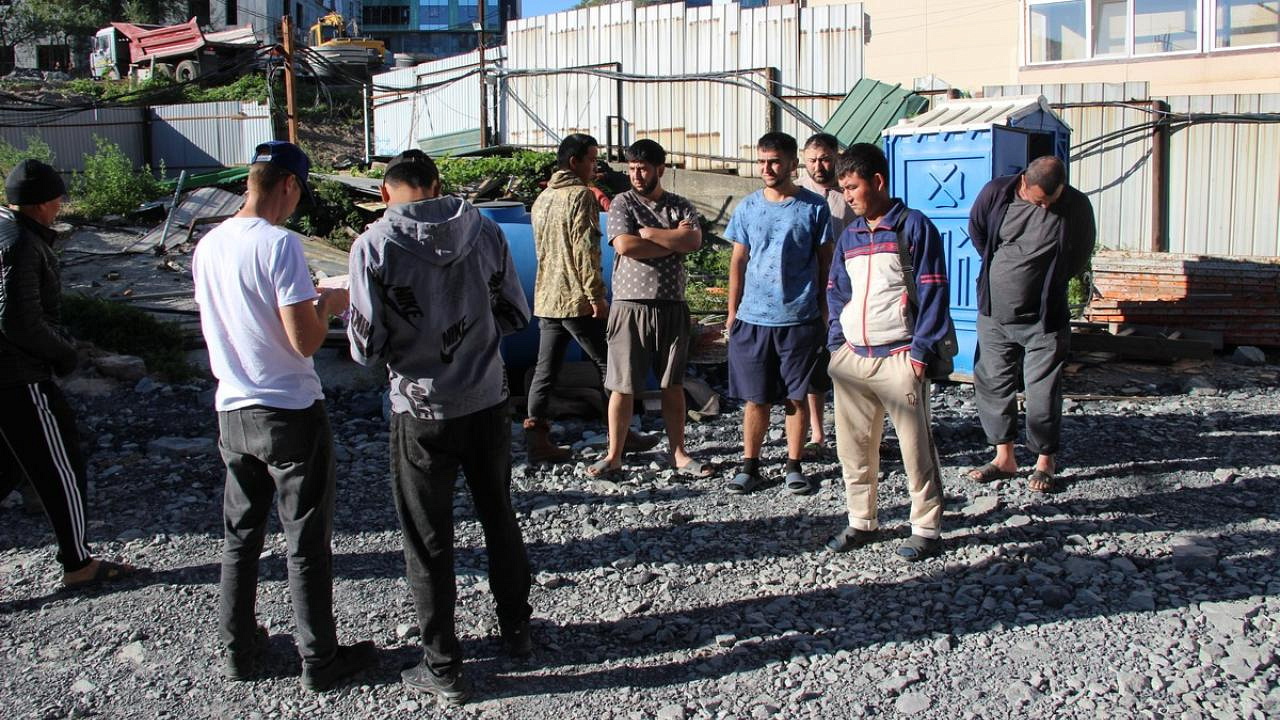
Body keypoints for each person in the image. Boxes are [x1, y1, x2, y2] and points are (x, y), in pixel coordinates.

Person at [347, 150, 534, 706]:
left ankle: (444, 665)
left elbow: (364, 347)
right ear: (437, 184)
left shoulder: (374, 245)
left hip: (420, 410)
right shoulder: (485, 230)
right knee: (498, 515)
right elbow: (516, 314)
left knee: (427, 538)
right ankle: (517, 631)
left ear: (385, 193)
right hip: (487, 400)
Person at [192, 141, 375, 691]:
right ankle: (320, 659)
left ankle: (238, 650)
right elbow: (304, 341)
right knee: (305, 540)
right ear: (289, 185)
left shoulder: (209, 243)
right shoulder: (280, 244)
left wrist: (306, 302)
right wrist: (331, 303)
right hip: (289, 410)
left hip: (232, 408)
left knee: (240, 537)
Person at [0, 158, 143, 590]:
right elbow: (19, 321)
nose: (61, 204)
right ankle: (78, 563)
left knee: (7, 466)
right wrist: (64, 353)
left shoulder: (7, 232)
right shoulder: (23, 245)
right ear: (41, 203)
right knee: (60, 465)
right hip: (19, 376)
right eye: (57, 198)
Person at [822, 144, 949, 561]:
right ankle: (861, 521)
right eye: (842, 189)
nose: (847, 196)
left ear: (877, 181)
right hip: (853, 358)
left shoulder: (914, 227)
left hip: (900, 357)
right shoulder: (850, 236)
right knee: (854, 448)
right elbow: (836, 292)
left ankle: (926, 528)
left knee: (916, 449)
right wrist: (837, 346)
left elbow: (933, 291)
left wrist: (920, 353)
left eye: (852, 187)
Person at [965, 155, 1096, 493]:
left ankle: (1044, 460)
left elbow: (1080, 252)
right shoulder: (997, 193)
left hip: (1044, 317)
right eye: (1039, 201)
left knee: (1042, 391)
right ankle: (1004, 457)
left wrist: (1049, 282)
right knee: (993, 383)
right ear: (1024, 182)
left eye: (1051, 201)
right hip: (995, 313)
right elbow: (979, 232)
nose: (1045, 207)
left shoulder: (1075, 206)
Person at [525, 133, 656, 464]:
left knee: (545, 370)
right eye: (591, 160)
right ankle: (620, 433)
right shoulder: (581, 196)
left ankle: (537, 438)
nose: (595, 167)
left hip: (547, 297)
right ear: (574, 162)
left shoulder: (542, 198)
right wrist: (596, 296)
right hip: (576, 299)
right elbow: (586, 250)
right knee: (609, 364)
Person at [591, 139, 711, 479]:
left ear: (660, 169)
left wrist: (652, 233)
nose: (636, 175)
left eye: (643, 168)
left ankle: (679, 452)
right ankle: (614, 454)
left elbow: (693, 241)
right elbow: (626, 245)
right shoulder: (622, 203)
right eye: (631, 169)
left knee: (672, 383)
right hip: (630, 305)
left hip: (672, 304)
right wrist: (672, 241)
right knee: (622, 384)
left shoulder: (680, 205)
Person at [723, 132, 833, 496]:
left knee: (795, 397)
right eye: (761, 162)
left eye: (774, 162)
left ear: (791, 164)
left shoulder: (814, 208)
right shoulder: (748, 207)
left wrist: (824, 311)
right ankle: (750, 465)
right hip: (753, 318)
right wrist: (732, 311)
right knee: (756, 398)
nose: (767, 169)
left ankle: (794, 465)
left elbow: (826, 263)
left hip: (799, 318)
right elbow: (738, 260)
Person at [797, 132, 856, 458]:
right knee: (814, 364)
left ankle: (859, 431)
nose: (819, 166)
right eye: (813, 160)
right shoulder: (797, 193)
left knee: (854, 363)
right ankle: (817, 433)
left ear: (837, 157)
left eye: (825, 159)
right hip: (809, 289)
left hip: (849, 287)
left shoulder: (849, 192)